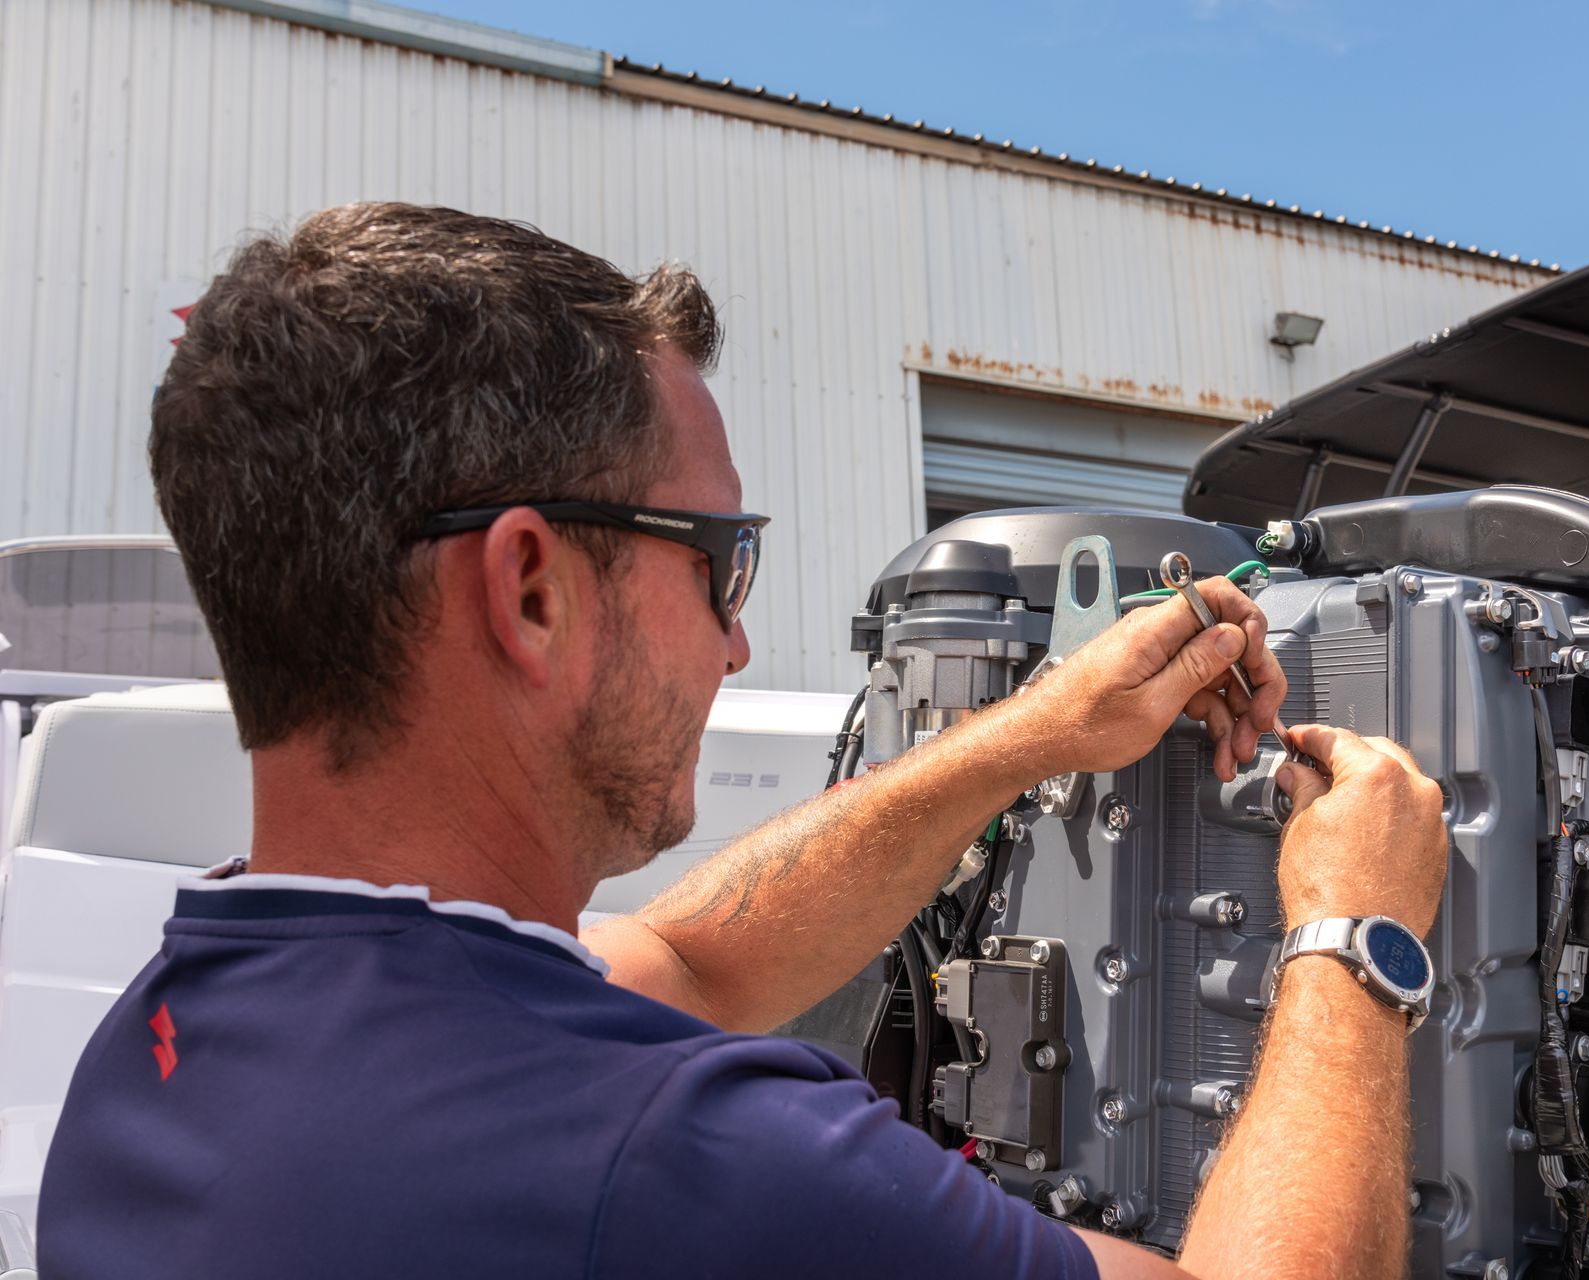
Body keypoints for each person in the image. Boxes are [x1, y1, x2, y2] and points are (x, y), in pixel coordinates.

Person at [37, 203, 1446, 1279]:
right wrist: (1358, 941)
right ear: (532, 591)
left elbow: (686, 962)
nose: (737, 644)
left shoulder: (166, 1042)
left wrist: (1036, 734)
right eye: (721, 558)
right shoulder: (664, 1157)